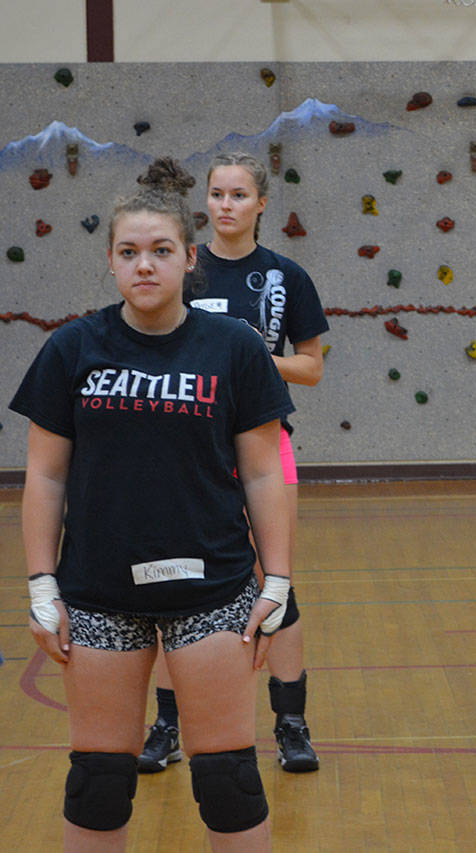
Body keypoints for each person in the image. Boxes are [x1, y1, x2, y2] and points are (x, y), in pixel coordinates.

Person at [12, 158, 294, 849]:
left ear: (190, 259)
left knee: (228, 779)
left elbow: (264, 474)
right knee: (99, 781)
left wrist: (279, 580)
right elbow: (44, 477)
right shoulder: (71, 349)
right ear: (110, 261)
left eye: (162, 250)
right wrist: (42, 582)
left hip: (213, 589)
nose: (145, 265)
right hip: (99, 592)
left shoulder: (234, 348)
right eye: (130, 252)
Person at [139, 152, 328, 774]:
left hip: (265, 444)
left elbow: (311, 366)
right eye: (217, 194)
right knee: (172, 580)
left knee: (276, 580)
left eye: (239, 195)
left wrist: (247, 356)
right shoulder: (183, 269)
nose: (226, 205)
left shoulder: (285, 277)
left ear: (261, 203)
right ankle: (167, 726)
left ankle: (291, 724)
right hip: (185, 450)